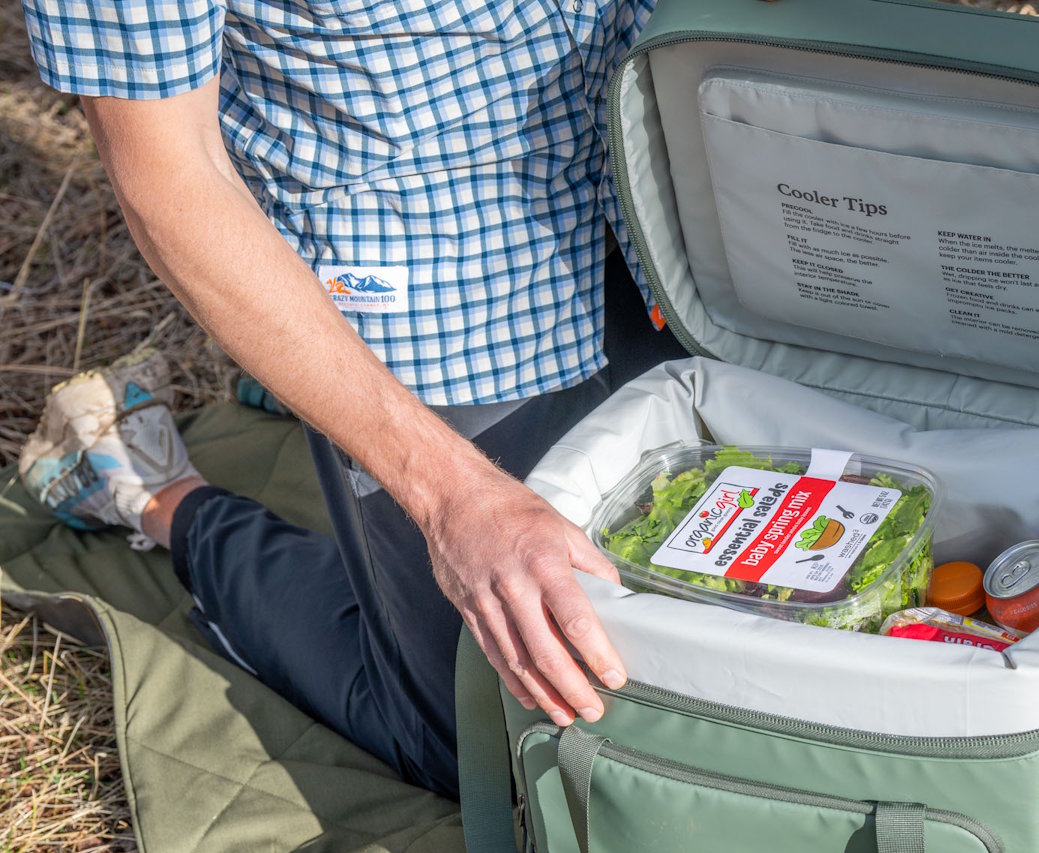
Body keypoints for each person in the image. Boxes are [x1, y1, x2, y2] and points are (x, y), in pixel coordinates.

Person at [17, 1, 685, 800]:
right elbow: (169, 172)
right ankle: (156, 492)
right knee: (490, 733)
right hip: (445, 283)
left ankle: (291, 374)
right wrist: (451, 496)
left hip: (673, 210)